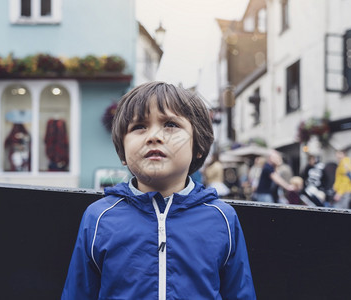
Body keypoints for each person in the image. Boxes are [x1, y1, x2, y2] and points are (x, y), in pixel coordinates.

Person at [61, 82, 256, 299]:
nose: (154, 136)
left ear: (198, 146)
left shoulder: (222, 218)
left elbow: (240, 293)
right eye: (139, 127)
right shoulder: (98, 217)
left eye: (171, 124)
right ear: (122, 152)